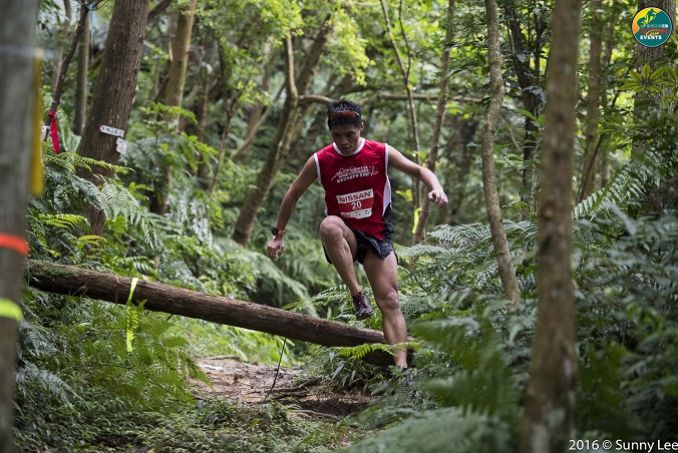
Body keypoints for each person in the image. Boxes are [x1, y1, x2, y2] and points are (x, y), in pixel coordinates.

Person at [266, 100, 448, 368]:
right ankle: (357, 295)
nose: (344, 141)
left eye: (350, 134)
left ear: (361, 127)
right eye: (337, 135)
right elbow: (292, 194)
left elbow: (419, 170)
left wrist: (436, 187)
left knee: (389, 300)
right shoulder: (320, 160)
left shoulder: (380, 152)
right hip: (345, 237)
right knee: (329, 225)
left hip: (376, 237)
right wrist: (279, 235)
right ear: (330, 132)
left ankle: (401, 368)